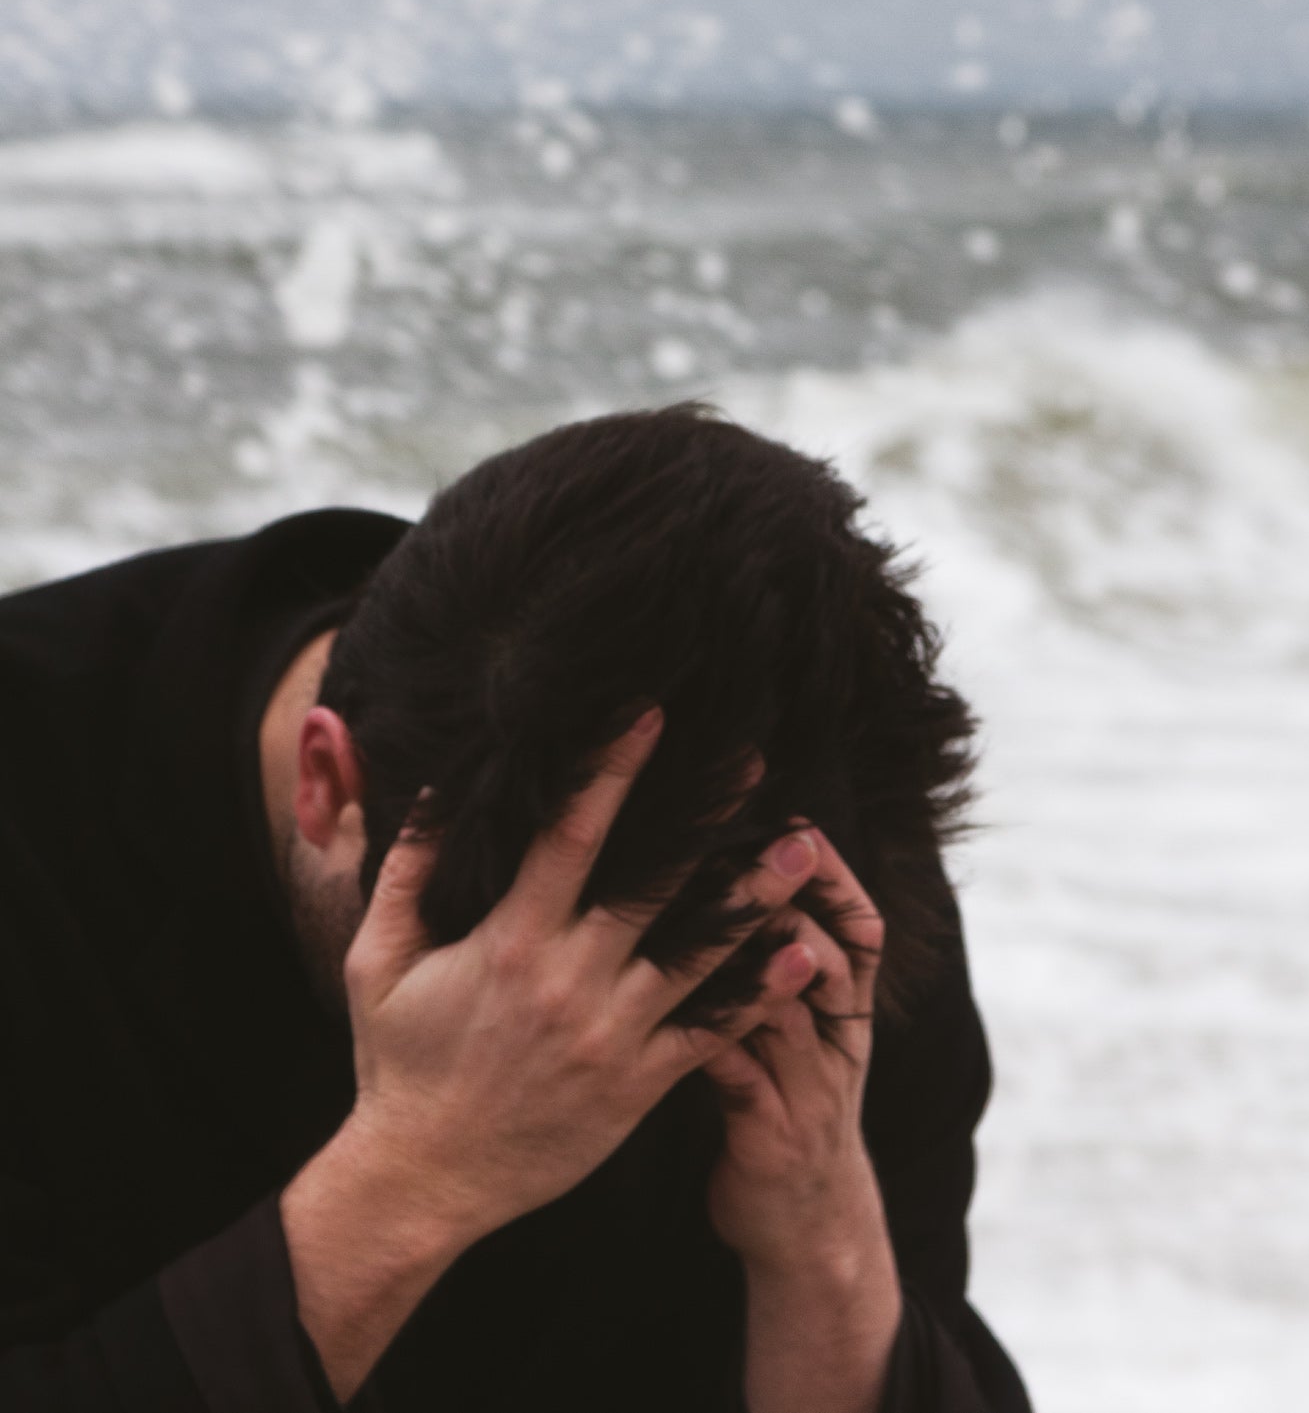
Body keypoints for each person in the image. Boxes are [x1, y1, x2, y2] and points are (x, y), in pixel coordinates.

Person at [0, 404, 1033, 1412]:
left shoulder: (808, 890)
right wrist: (413, 1174)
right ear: (327, 782)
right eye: (519, 997)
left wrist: (821, 1242)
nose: (595, 1053)